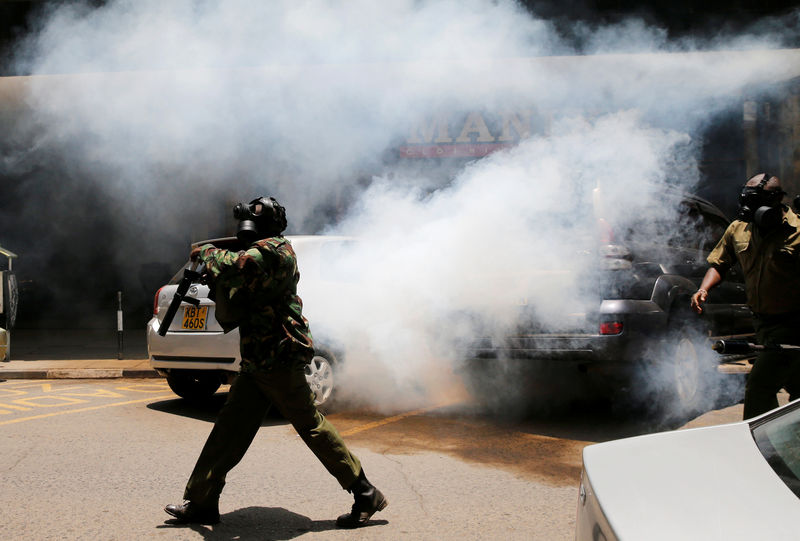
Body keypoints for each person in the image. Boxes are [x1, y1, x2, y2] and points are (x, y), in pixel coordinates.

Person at [165, 196, 387, 528]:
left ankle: (365, 491)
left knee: (311, 426)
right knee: (228, 430)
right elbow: (235, 292)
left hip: (280, 357)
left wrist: (207, 252)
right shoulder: (258, 254)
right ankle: (202, 501)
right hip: (258, 360)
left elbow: (236, 265)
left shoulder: (275, 252)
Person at [691, 173, 800, 419]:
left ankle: (759, 449)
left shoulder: (797, 230)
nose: (746, 208)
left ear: (774, 200)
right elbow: (719, 264)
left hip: (791, 326)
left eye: (753, 201)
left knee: (759, 389)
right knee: (797, 388)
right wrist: (703, 289)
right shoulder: (738, 229)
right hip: (760, 324)